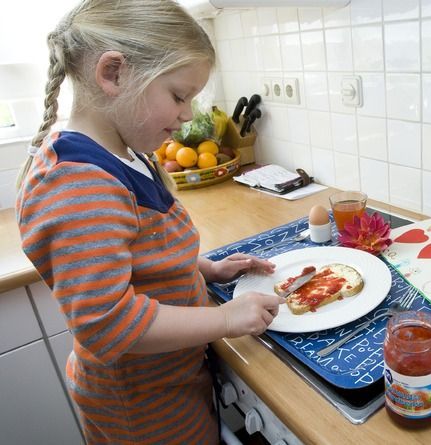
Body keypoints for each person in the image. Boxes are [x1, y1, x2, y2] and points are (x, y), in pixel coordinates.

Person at [15, 1, 284, 443]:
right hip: (141, 407)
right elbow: (108, 324)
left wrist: (205, 268)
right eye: (179, 96)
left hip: (173, 378)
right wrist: (226, 320)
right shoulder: (77, 183)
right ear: (113, 73)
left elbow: (143, 253)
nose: (187, 114)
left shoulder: (125, 154)